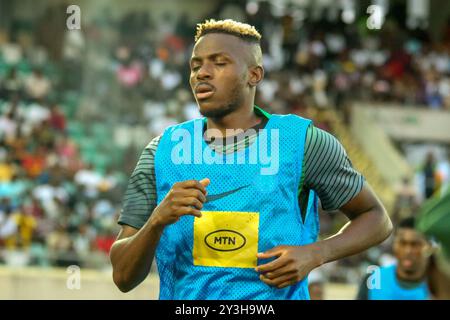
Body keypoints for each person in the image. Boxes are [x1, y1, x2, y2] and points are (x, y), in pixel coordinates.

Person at [110, 19, 392, 300]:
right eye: (196, 66)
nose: (202, 73)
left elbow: (377, 218)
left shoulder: (304, 143)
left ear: (254, 75)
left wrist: (316, 253)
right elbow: (123, 277)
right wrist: (157, 219)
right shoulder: (161, 151)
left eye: (219, 63)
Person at [356, 217, 432, 300]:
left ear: (429, 247)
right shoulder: (375, 279)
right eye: (402, 243)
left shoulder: (440, 285)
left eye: (415, 244)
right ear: (394, 244)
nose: (408, 251)